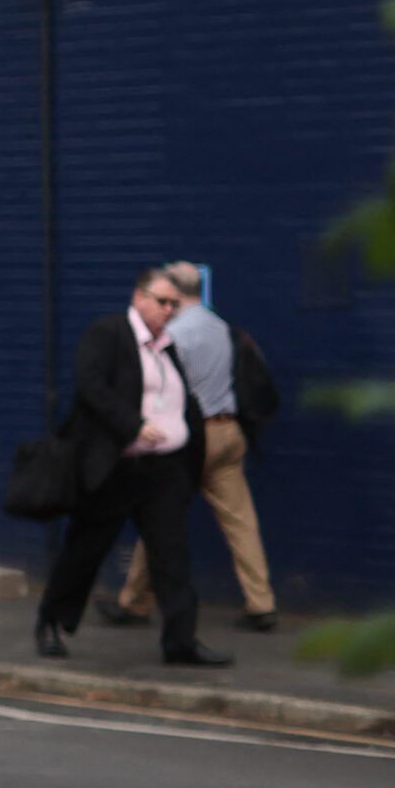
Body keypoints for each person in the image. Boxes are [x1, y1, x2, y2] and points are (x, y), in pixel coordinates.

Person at [33, 269, 231, 667]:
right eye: (163, 302)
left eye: (175, 304)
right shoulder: (109, 334)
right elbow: (91, 387)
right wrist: (134, 425)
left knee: (172, 556)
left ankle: (181, 642)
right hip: (116, 469)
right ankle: (50, 623)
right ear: (139, 297)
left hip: (163, 473)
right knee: (85, 551)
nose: (169, 310)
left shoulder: (166, 345)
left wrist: (190, 446)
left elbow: (181, 399)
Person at [97, 260, 281, 633]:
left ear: (175, 294)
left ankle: (134, 604)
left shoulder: (174, 334)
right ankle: (261, 604)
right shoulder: (221, 327)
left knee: (158, 517)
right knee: (241, 523)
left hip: (192, 438)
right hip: (229, 433)